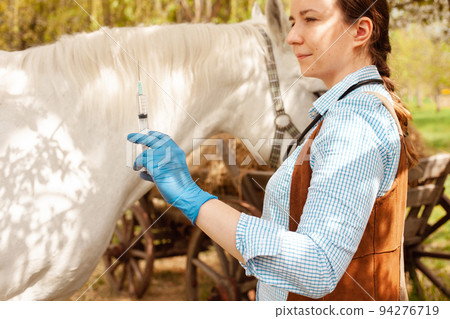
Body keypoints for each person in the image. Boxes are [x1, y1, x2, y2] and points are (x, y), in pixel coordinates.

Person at [128, 0, 417, 301]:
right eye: (293, 21)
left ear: (360, 31)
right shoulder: (359, 106)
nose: (292, 36)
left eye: (310, 19)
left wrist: (192, 197)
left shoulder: (353, 120)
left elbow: (317, 266)